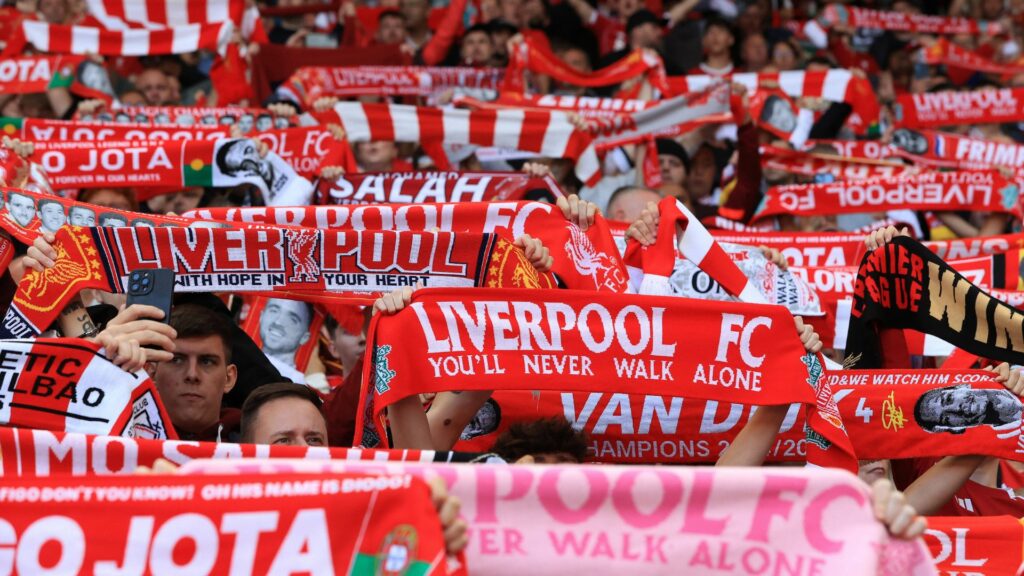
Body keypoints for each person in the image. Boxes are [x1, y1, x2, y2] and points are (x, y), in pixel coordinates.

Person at [148, 304, 239, 442]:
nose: (192, 374)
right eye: (177, 360)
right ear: (152, 373)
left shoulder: (261, 447)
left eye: (207, 362)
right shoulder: (116, 437)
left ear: (229, 379)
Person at [914, 383, 1023, 434]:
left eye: (948, 399)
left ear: (961, 386)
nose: (956, 408)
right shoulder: (1001, 457)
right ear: (955, 429)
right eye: (946, 418)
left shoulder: (1016, 369)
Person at [258, 297, 313, 383]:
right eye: (274, 311)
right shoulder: (238, 359)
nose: (278, 322)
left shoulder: (297, 385)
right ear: (261, 316)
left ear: (304, 337)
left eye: (292, 319)